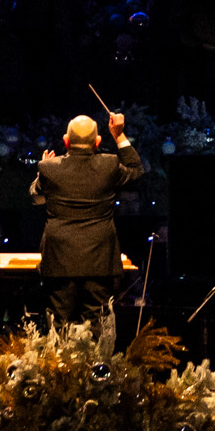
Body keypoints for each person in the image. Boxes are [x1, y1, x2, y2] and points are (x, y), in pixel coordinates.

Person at [30, 110, 144, 324]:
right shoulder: (109, 165)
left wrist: (44, 171)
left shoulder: (48, 168)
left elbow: (36, 197)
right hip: (98, 261)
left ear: (66, 141)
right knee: (97, 326)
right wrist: (118, 134)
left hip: (60, 261)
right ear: (98, 141)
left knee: (59, 327)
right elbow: (136, 169)